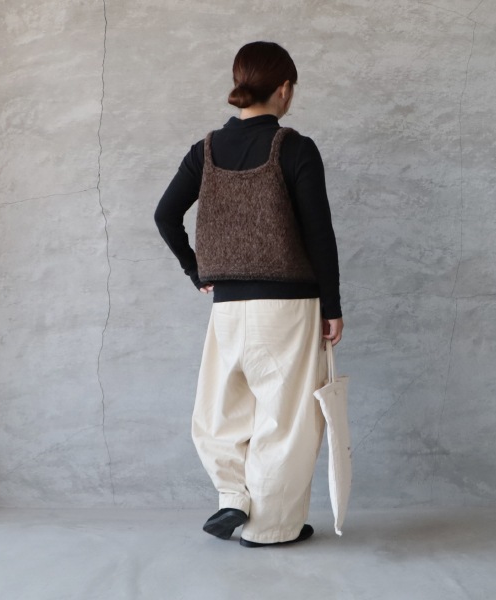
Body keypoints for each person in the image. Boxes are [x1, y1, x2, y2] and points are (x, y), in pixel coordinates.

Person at [154, 41, 343, 548]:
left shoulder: (205, 151)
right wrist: (333, 306)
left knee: (223, 409)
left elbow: (164, 215)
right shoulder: (295, 148)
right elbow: (319, 235)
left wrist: (196, 270)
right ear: (284, 89)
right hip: (290, 307)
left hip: (228, 306)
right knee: (285, 418)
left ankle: (232, 496)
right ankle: (270, 527)